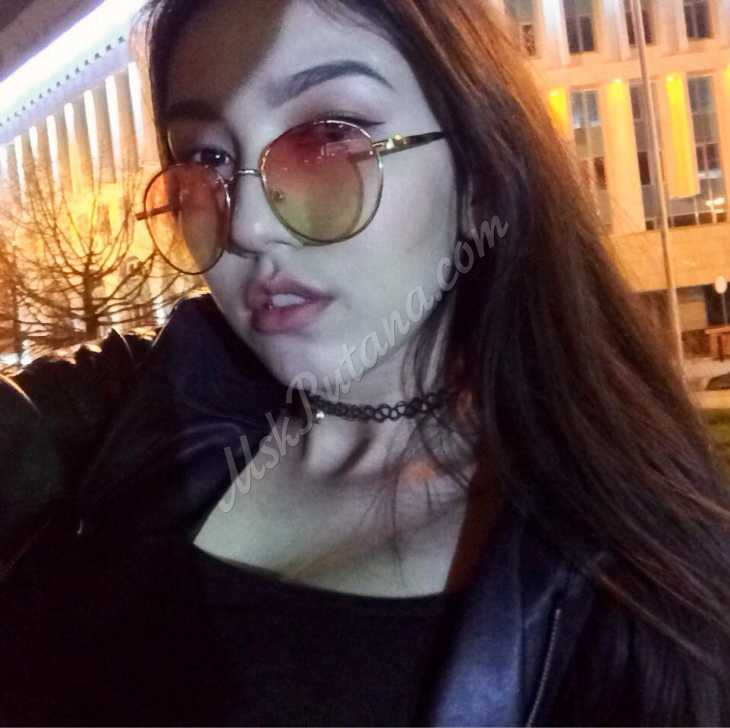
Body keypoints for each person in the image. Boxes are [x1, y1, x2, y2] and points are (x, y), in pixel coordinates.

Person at [2, 0, 730, 724]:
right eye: (206, 159)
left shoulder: (634, 591)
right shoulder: (136, 407)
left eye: (328, 138)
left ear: (481, 179)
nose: (247, 224)